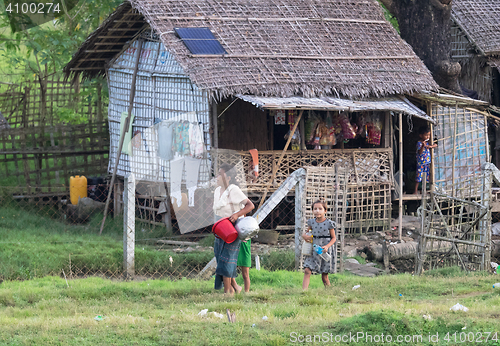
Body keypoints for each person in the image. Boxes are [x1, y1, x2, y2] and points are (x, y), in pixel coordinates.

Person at [213, 163, 255, 295]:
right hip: (220, 228)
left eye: (221, 174)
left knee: (227, 259)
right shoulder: (217, 191)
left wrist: (236, 214)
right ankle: (234, 287)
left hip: (231, 228)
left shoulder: (233, 189)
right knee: (219, 257)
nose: (218, 176)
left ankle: (228, 292)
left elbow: (250, 205)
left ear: (229, 177)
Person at [302, 200, 337, 290]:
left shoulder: (329, 223)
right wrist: (304, 236)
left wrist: (327, 246)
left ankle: (329, 292)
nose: (317, 211)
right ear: (312, 211)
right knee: (307, 270)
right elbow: (307, 233)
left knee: (324, 275)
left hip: (324, 249)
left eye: (320, 209)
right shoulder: (311, 222)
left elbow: (334, 238)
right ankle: (304, 292)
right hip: (314, 249)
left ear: (325, 211)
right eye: (315, 209)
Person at [414, 126, 437, 194]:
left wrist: (430, 146)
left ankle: (423, 190)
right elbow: (420, 152)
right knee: (419, 176)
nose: (428, 137)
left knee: (426, 176)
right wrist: (422, 146)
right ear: (421, 135)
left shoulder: (428, 142)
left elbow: (435, 145)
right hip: (420, 163)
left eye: (429, 135)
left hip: (427, 162)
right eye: (426, 135)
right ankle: (415, 190)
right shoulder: (419, 143)